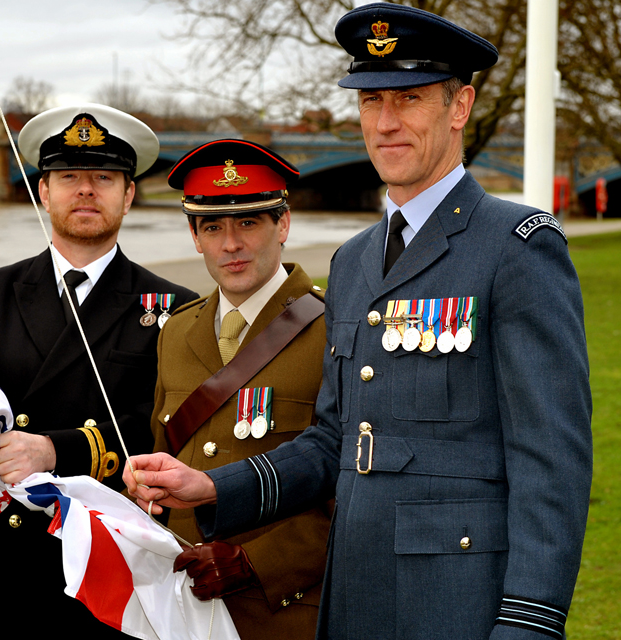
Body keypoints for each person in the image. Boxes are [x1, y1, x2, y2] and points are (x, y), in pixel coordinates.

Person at [124, 5, 593, 640]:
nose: (387, 123)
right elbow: (334, 440)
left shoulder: (515, 247)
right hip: (353, 592)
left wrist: (529, 623)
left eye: (411, 98)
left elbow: (551, 460)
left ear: (460, 108)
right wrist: (208, 485)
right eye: (371, 102)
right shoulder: (353, 261)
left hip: (459, 601)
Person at [0, 104, 197, 639]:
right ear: (43, 192)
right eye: (69, 177)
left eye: (104, 177)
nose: (86, 190)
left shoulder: (176, 308)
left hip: (107, 585)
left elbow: (171, 433)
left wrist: (57, 449)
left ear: (129, 195)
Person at [151, 139, 330, 639]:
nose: (231, 244)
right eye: (213, 226)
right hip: (180, 612)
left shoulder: (336, 329)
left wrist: (255, 563)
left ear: (284, 225)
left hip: (282, 613)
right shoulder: (176, 333)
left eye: (249, 222)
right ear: (195, 236)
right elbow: (166, 454)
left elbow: (354, 489)